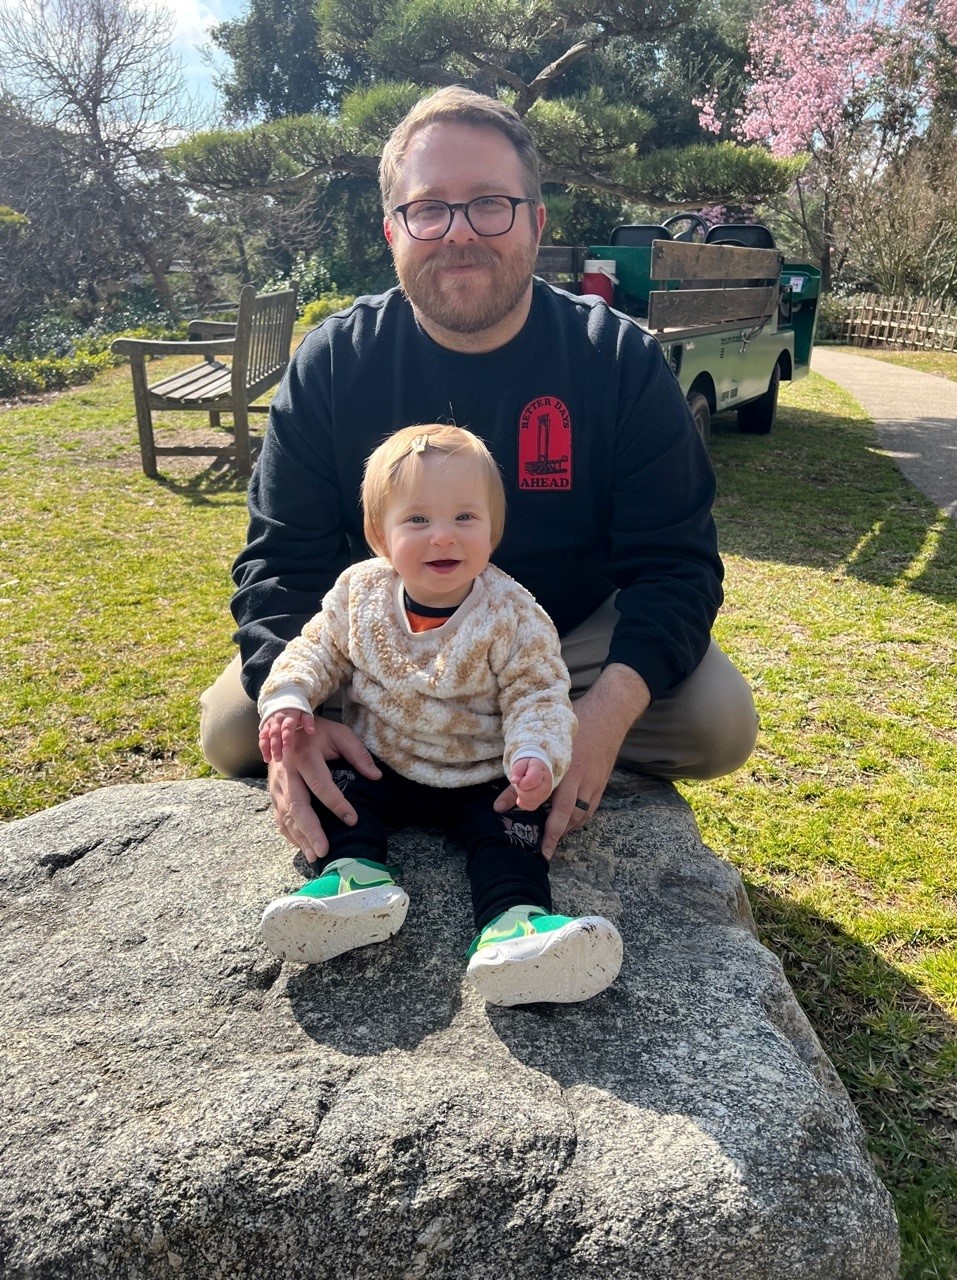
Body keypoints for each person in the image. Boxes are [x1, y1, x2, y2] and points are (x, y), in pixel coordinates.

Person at [200, 84, 758, 871]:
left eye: (489, 204)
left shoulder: (618, 360)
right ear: (392, 229)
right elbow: (277, 561)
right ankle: (422, 728)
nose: (459, 234)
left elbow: (677, 564)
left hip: (559, 639)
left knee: (717, 721)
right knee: (233, 727)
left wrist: (594, 727)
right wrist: (289, 707)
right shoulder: (333, 363)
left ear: (536, 219)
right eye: (429, 209)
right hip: (383, 639)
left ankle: (507, 729)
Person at [256, 423, 623, 1007]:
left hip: (480, 773)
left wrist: (535, 756)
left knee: (511, 833)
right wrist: (289, 699)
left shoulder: (513, 616)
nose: (443, 537)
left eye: (465, 518)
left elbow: (540, 696)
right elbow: (316, 648)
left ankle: (516, 929)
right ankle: (353, 886)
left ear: (494, 531)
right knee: (343, 796)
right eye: (418, 520)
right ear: (380, 535)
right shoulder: (359, 594)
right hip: (382, 758)